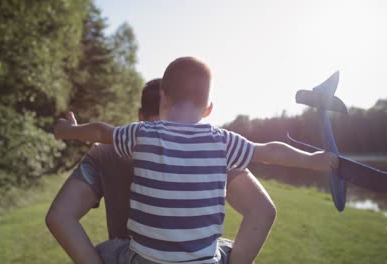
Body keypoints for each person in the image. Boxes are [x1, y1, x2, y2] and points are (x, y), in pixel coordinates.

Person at [54, 56, 338, 263]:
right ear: (209, 108)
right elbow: (270, 152)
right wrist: (314, 160)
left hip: (143, 259)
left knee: (107, 250)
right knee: (224, 247)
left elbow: (103, 132)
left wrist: (69, 131)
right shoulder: (220, 144)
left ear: (164, 98)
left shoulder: (141, 135)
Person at [47, 78, 276, 264]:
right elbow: (262, 211)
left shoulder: (105, 154)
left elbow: (60, 216)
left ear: (140, 116)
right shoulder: (211, 150)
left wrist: (77, 132)